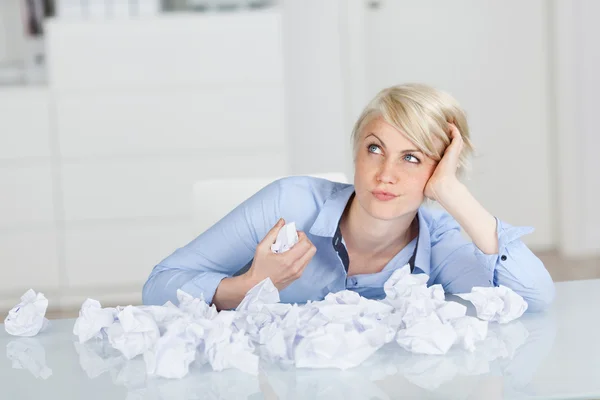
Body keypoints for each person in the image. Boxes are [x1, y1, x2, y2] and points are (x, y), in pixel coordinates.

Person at [142, 83, 555, 312]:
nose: (386, 174)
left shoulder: (441, 242)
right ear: (356, 151)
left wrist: (453, 193)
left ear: (439, 170)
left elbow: (534, 300)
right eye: (375, 148)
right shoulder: (290, 205)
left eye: (412, 158)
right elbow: (158, 287)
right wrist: (250, 284)